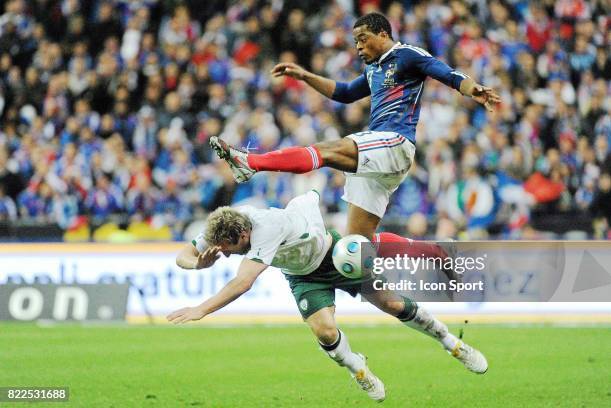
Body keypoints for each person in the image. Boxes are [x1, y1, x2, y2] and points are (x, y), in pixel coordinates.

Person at [210, 12, 501, 249]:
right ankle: (434, 253)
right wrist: (304, 75)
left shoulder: (408, 55)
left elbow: (446, 73)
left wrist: (472, 88)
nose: (359, 47)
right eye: (356, 42)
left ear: (383, 34)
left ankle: (251, 162)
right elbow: (346, 92)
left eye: (363, 40)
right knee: (356, 246)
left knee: (327, 149)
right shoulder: (374, 70)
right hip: (379, 157)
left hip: (395, 142)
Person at [167, 190, 488, 402]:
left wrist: (201, 309)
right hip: (303, 275)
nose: (225, 255)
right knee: (324, 331)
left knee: (390, 303)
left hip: (332, 254)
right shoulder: (222, 227)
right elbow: (182, 254)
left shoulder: (265, 228)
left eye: (230, 250)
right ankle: (358, 368)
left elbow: (243, 282)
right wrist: (196, 264)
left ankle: (452, 344)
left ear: (244, 235)